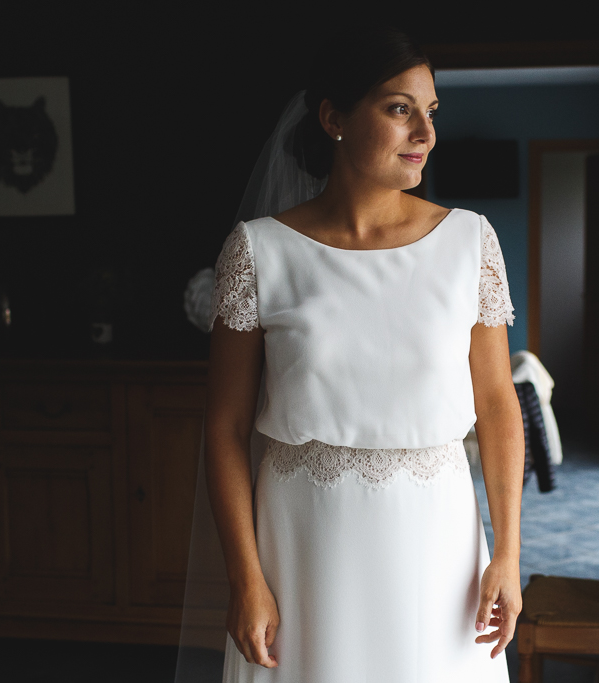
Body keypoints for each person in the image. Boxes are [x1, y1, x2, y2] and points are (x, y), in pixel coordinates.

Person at [204, 25, 524, 683]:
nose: (425, 133)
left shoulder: (470, 243)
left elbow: (497, 406)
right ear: (333, 118)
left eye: (431, 112)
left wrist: (508, 554)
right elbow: (225, 427)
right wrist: (245, 576)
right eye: (399, 107)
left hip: (436, 542)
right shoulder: (260, 252)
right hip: (303, 543)